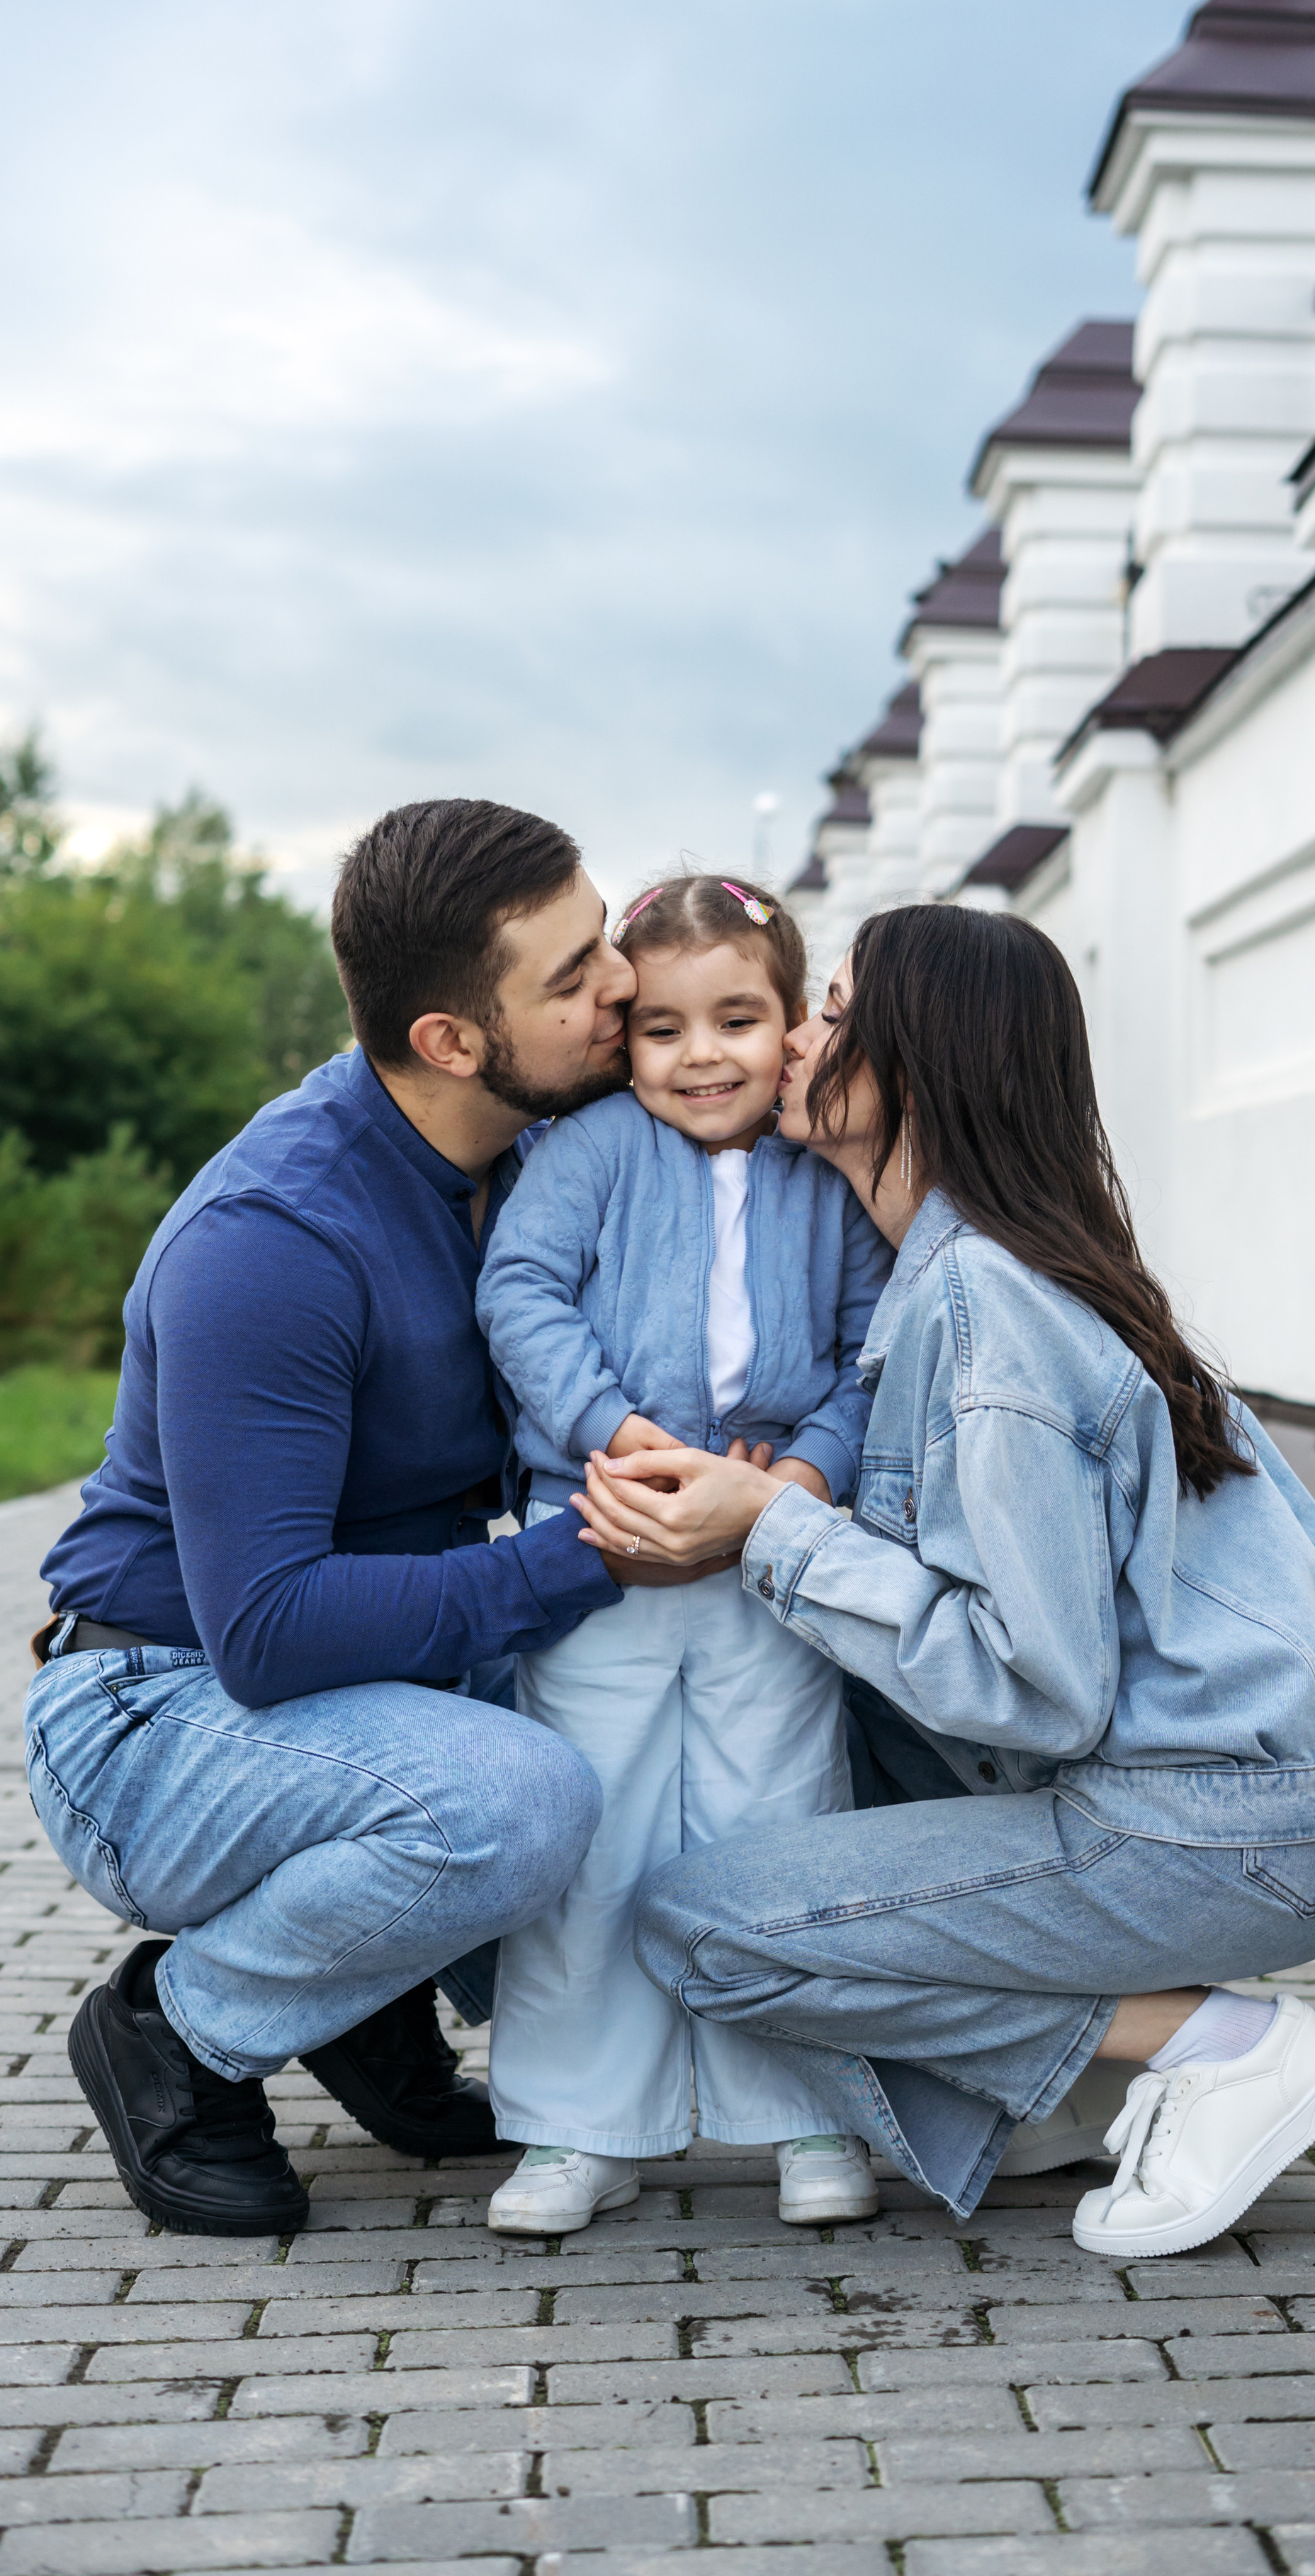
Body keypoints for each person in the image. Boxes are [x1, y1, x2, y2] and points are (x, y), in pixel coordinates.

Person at [572, 905, 1315, 2259]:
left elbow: (1033, 1686)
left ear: (923, 1062)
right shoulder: (999, 1261)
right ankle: (1075, 2090)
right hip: (1284, 1787)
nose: (795, 1036)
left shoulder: (985, 1308)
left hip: (1223, 1820)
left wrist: (770, 1532)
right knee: (842, 1723)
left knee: (702, 1929)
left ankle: (1220, 2046)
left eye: (836, 1013)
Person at [25, 798, 644, 2240]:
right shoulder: (276, 1242)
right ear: (448, 1041)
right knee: (523, 1801)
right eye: (571, 975)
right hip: (153, 1708)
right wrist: (586, 1561)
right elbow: (269, 1629)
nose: (616, 985)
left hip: (358, 1684)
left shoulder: (532, 1150)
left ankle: (358, 1993)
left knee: (664, 1752)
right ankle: (180, 2031)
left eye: (601, 937)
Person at [474, 875, 894, 2234]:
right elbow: (521, 1294)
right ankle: (578, 2127)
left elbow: (862, 1349)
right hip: (601, 1527)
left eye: (739, 1019)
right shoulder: (588, 1154)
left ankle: (808, 2111)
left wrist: (812, 1471)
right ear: (622, 1040)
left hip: (770, 1550)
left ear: (792, 1026)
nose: (702, 1055)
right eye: (663, 1028)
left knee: (777, 1822)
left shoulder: (819, 1174)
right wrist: (618, 1431)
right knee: (597, 1833)